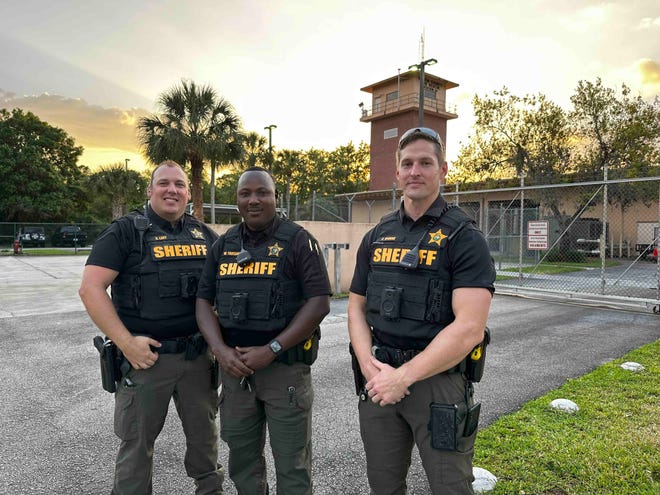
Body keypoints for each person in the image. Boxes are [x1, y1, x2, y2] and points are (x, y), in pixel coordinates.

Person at [347, 127, 496, 495]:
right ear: (396, 173)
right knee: (383, 485)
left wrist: (405, 377)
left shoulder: (464, 237)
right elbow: (356, 306)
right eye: (407, 163)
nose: (415, 171)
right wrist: (370, 368)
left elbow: (469, 328)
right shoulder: (376, 235)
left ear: (443, 170)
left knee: (450, 486)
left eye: (425, 163)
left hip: (438, 383)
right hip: (379, 378)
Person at [79, 160, 224, 494]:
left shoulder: (203, 235)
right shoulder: (126, 231)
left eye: (179, 184)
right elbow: (90, 288)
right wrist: (126, 343)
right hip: (145, 360)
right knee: (136, 446)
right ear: (150, 189)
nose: (171, 190)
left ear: (188, 192)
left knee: (205, 443)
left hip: (197, 359)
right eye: (163, 183)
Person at [196, 166, 331, 495]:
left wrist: (272, 349)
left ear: (275, 198)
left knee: (292, 464)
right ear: (237, 200)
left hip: (284, 369)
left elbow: (319, 302)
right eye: (245, 193)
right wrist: (220, 350)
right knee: (243, 462)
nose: (253, 200)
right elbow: (202, 301)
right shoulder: (225, 243)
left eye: (262, 193)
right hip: (236, 370)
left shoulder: (297, 240)